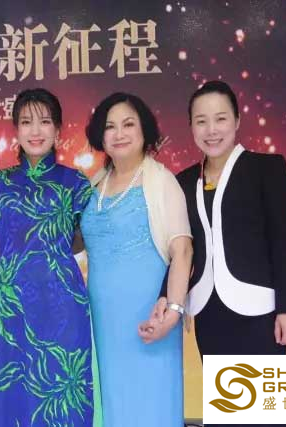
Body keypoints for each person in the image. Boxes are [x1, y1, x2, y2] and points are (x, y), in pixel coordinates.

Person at [156, 80, 286, 426]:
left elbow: (285, 241)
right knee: (227, 412)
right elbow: (182, 248)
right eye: (201, 121)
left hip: (261, 313)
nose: (211, 130)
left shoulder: (267, 168)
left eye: (220, 119)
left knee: (266, 412)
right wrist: (167, 295)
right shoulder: (183, 181)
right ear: (191, 126)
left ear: (237, 120)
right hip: (209, 312)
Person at [0, 88, 95, 427]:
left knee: (62, 395)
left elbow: (82, 241)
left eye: (45, 121)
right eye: (26, 122)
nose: (36, 130)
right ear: (16, 129)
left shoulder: (75, 183)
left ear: (58, 129)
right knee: (12, 394)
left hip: (62, 306)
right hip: (11, 307)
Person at [80, 92, 193, 427]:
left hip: (150, 320)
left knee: (150, 405)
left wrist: (173, 313)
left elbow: (182, 250)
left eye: (128, 124)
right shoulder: (94, 185)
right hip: (101, 322)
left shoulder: (161, 181)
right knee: (112, 407)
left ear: (144, 130)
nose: (119, 133)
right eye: (110, 126)